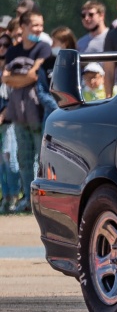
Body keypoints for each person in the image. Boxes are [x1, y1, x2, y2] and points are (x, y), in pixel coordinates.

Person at [1, 11, 50, 212]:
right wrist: (22, 79)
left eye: (41, 25)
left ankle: (41, 199)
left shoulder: (43, 47)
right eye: (35, 25)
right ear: (23, 27)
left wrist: (17, 79)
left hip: (38, 112)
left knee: (41, 158)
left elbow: (34, 76)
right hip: (18, 112)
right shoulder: (13, 51)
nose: (39, 29)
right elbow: (5, 77)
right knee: (23, 157)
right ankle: (27, 199)